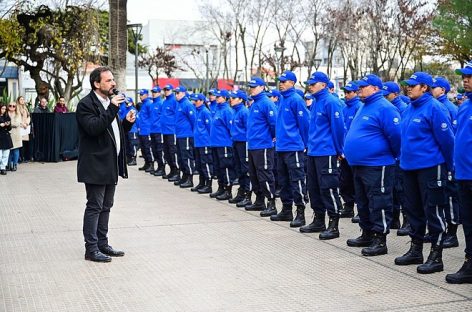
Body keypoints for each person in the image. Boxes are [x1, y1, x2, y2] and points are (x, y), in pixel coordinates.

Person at [395, 72, 454, 274]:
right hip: (409, 168)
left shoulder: (435, 108)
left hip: (431, 167)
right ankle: (416, 249)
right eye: (407, 85)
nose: (408, 88)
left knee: (433, 211)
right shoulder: (409, 108)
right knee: (413, 211)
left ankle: (436, 256)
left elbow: (447, 141)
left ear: (425, 88)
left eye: (413, 85)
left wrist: (449, 167)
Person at [76, 66, 136, 263]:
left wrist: (126, 123)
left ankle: (103, 243)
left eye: (113, 80)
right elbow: (94, 129)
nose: (113, 83)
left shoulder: (109, 104)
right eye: (109, 80)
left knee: (106, 206)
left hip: (111, 164)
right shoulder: (86, 105)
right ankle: (91, 249)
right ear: (96, 84)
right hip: (95, 165)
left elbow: (111, 130)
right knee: (95, 206)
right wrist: (112, 108)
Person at [344, 74, 401, 256]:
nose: (360, 89)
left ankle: (380, 239)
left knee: (379, 201)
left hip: (378, 164)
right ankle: (367, 232)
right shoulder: (364, 106)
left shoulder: (385, 108)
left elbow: (396, 136)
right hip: (360, 164)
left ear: (376, 88)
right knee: (363, 200)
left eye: (364, 86)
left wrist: (388, 155)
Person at [301, 71, 344, 240]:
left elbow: (338, 129)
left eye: (313, 84)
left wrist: (339, 150)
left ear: (324, 85)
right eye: (309, 84)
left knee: (328, 187)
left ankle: (334, 224)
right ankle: (318, 219)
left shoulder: (331, 102)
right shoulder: (316, 102)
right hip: (313, 151)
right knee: (314, 187)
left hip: (326, 152)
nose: (310, 86)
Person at [270, 71, 309, 227]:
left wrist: (304, 144)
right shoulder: (281, 99)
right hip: (281, 147)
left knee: (297, 180)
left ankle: (300, 212)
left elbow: (305, 124)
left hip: (294, 147)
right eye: (280, 81)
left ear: (292, 83)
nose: (281, 83)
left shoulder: (296, 100)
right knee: (284, 180)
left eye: (284, 81)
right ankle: (286, 210)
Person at [446, 61, 472, 284]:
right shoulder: (465, 105)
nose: (465, 79)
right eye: (464, 75)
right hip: (463, 174)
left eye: (470, 76)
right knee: (468, 223)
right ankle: (470, 263)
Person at [432, 76, 461, 248]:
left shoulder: (450, 108)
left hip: (449, 160)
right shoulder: (436, 106)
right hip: (438, 161)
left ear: (443, 90)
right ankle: (440, 230)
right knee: (440, 196)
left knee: (450, 196)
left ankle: (452, 233)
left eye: (434, 87)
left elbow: (453, 137)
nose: (431, 90)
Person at [245, 78, 277, 215]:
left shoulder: (266, 103)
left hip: (263, 145)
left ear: (263, 87)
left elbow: (274, 124)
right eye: (250, 87)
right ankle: (259, 200)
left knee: (265, 174)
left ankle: (271, 202)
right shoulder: (254, 103)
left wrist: (271, 137)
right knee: (254, 175)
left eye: (254, 87)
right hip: (253, 145)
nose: (251, 89)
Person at [382, 81, 409, 234]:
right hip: (390, 155)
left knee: (402, 189)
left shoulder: (402, 109)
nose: (385, 97)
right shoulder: (386, 107)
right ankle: (394, 218)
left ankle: (407, 220)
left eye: (388, 95)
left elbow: (400, 134)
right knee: (391, 188)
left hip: (400, 155)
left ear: (395, 94)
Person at [338, 81, 361, 219]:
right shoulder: (344, 108)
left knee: (356, 180)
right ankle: (348, 206)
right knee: (344, 180)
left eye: (349, 92)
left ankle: (360, 208)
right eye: (345, 92)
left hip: (354, 151)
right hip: (344, 151)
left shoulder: (359, 107)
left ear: (356, 92)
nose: (346, 95)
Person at [209, 89, 235, 200]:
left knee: (226, 167)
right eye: (216, 96)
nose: (217, 98)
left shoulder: (227, 111)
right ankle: (221, 187)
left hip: (224, 143)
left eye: (219, 97)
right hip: (215, 143)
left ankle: (228, 190)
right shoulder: (217, 109)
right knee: (218, 167)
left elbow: (231, 128)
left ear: (225, 98)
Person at [228, 90, 251, 206]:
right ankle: (241, 192)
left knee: (245, 169)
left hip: (243, 143)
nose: (231, 99)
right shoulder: (235, 111)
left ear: (241, 99)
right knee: (238, 169)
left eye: (234, 97)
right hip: (236, 142)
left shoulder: (244, 112)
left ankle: (248, 194)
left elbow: (248, 129)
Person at [190, 93, 213, 194]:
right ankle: (201, 182)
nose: (195, 102)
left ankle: (208, 184)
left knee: (206, 164)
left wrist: (208, 141)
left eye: (197, 100)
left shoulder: (205, 112)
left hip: (205, 142)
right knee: (199, 164)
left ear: (202, 101)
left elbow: (210, 128)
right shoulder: (197, 111)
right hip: (198, 142)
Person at [173, 86, 196, 188]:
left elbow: (194, 120)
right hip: (179, 134)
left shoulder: (187, 104)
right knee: (181, 157)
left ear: (183, 93)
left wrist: (192, 133)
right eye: (175, 93)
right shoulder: (179, 104)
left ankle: (189, 178)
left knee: (186, 157)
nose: (176, 95)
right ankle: (184, 176)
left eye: (178, 93)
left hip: (186, 134)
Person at [160, 84, 179, 180]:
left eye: (168, 89)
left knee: (172, 152)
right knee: (166, 152)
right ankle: (172, 170)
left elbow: (177, 115)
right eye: (165, 89)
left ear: (172, 90)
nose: (166, 91)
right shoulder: (164, 102)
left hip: (172, 131)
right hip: (164, 131)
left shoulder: (174, 101)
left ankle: (176, 171)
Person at [136, 89, 154, 173]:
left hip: (147, 130)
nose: (140, 96)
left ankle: (151, 164)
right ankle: (146, 163)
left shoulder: (149, 104)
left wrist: (150, 129)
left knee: (148, 148)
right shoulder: (143, 104)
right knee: (143, 148)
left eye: (142, 94)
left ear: (146, 95)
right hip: (141, 130)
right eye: (140, 94)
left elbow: (152, 117)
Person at [149, 86, 165, 176]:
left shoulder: (161, 103)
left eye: (155, 92)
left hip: (159, 130)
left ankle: (162, 168)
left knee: (160, 150)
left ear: (159, 93)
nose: (153, 93)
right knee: (154, 150)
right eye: (152, 92)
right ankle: (158, 166)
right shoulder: (152, 104)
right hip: (152, 130)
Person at [118, 97, 139, 166]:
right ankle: (129, 157)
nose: (127, 104)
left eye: (128, 102)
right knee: (127, 144)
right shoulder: (125, 109)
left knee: (133, 144)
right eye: (126, 102)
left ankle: (133, 158)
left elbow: (137, 120)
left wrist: (138, 128)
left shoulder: (133, 110)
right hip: (127, 129)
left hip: (133, 129)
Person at [7, 101, 22, 171]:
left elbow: (17, 124)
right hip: (7, 134)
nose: (12, 107)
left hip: (16, 135)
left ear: (16, 107)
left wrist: (8, 123)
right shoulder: (6, 113)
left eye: (14, 106)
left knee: (16, 150)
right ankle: (9, 164)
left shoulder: (18, 114)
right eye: (10, 105)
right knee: (8, 150)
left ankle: (15, 164)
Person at [16, 96, 31, 163]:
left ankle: (25, 157)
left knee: (25, 143)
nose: (22, 100)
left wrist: (27, 123)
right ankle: (20, 157)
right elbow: (17, 118)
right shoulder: (16, 108)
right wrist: (22, 124)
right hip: (20, 127)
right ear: (18, 100)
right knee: (20, 143)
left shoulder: (25, 108)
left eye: (23, 99)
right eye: (21, 99)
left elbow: (28, 116)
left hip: (25, 128)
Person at [0, 103, 13, 175]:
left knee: (6, 154)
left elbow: (9, 128)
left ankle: (3, 168)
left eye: (5, 109)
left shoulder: (7, 116)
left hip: (6, 137)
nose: (3, 110)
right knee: (0, 155)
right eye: (2, 108)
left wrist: (8, 125)